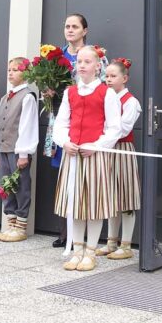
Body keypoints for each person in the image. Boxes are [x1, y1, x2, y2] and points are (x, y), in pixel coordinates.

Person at [52, 46, 121, 272]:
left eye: (87, 62)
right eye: (79, 61)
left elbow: (114, 128)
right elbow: (61, 123)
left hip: (94, 156)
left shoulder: (107, 94)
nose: (82, 65)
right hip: (73, 155)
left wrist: (97, 145)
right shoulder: (70, 92)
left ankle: (90, 252)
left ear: (97, 66)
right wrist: (64, 141)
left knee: (93, 205)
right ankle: (77, 250)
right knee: (75, 204)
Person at [97, 58, 142, 260]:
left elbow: (123, 129)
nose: (108, 79)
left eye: (113, 76)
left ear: (124, 78)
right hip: (108, 149)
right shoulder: (106, 98)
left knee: (126, 196)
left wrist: (104, 133)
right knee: (111, 196)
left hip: (122, 150)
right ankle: (111, 242)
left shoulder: (131, 102)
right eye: (106, 76)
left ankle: (126, 245)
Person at [0, 56, 39, 242]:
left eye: (16, 70)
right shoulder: (5, 98)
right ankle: (11, 225)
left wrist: (24, 153)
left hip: (18, 151)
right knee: (6, 185)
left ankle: (20, 227)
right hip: (4, 148)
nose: (11, 73)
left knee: (21, 186)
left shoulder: (27, 97)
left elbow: (27, 126)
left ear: (26, 73)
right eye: (9, 70)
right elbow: (0, 126)